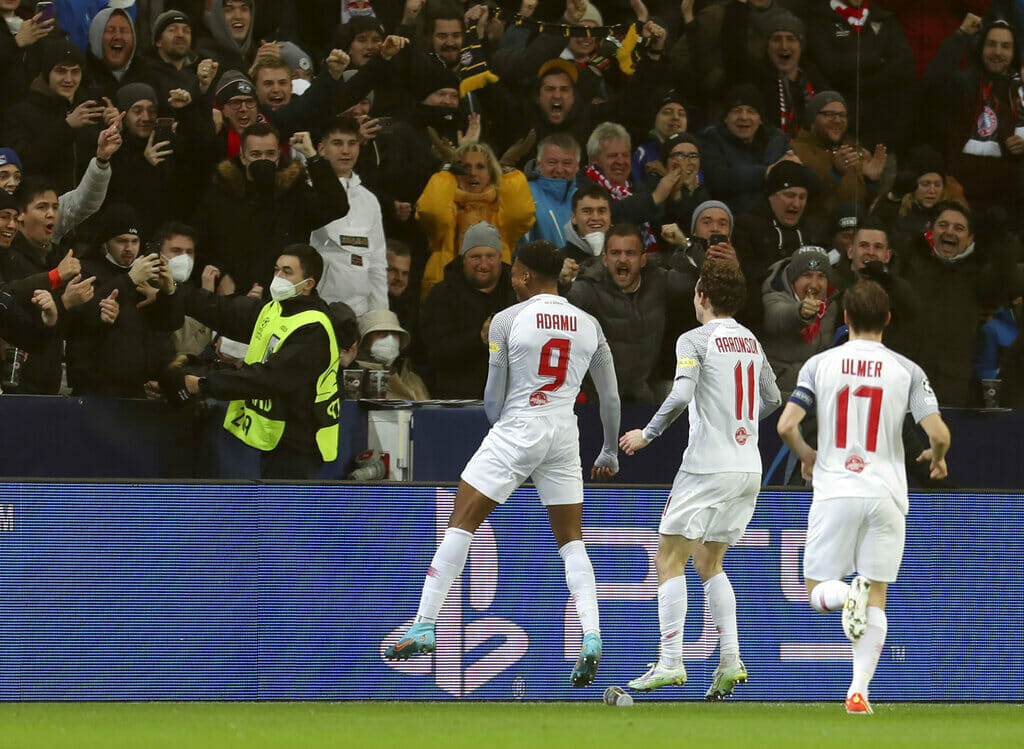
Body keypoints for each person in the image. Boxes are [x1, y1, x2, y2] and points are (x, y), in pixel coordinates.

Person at [384, 239, 621, 691]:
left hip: (518, 427)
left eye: (515, 272)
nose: (511, 278)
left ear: (526, 276)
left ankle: (424, 623)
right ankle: (592, 632)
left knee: (461, 521)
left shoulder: (507, 320)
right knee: (571, 540)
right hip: (564, 432)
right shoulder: (590, 324)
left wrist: (503, 428)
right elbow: (609, 396)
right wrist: (608, 449)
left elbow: (493, 397)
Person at [776, 279, 951, 715]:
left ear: (846, 318)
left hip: (837, 488)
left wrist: (807, 455)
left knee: (819, 589)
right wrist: (937, 457)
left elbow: (785, 425)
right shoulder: (907, 369)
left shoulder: (820, 364)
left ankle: (843, 597)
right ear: (888, 319)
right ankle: (859, 692)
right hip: (887, 493)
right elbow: (939, 434)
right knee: (876, 594)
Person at [619, 258, 781, 698]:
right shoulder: (751, 341)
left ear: (703, 296)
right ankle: (730, 660)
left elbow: (681, 393)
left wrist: (646, 433)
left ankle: (671, 662)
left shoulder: (695, 338)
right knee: (711, 562)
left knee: (668, 559)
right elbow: (772, 397)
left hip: (707, 464)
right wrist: (738, 423)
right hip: (748, 465)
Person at [175, 244, 354, 480]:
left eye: (287, 272)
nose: (278, 277)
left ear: (309, 283)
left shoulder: (314, 329)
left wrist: (204, 385)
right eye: (276, 270)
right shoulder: (274, 309)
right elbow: (222, 310)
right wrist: (172, 290)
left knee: (283, 515)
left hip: (299, 444)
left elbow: (268, 378)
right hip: (276, 438)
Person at [418, 221, 516, 398]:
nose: (483, 264)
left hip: (510, 399)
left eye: (490, 256)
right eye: (476, 256)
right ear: (463, 259)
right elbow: (435, 352)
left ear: (500, 258)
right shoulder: (441, 294)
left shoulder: (517, 292)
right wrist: (479, 338)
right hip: (458, 400)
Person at [309, 115, 387, 317]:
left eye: (352, 143)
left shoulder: (369, 200)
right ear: (321, 149)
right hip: (317, 305)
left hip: (359, 310)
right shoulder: (307, 192)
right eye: (337, 143)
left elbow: (377, 264)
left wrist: (379, 315)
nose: (346, 151)